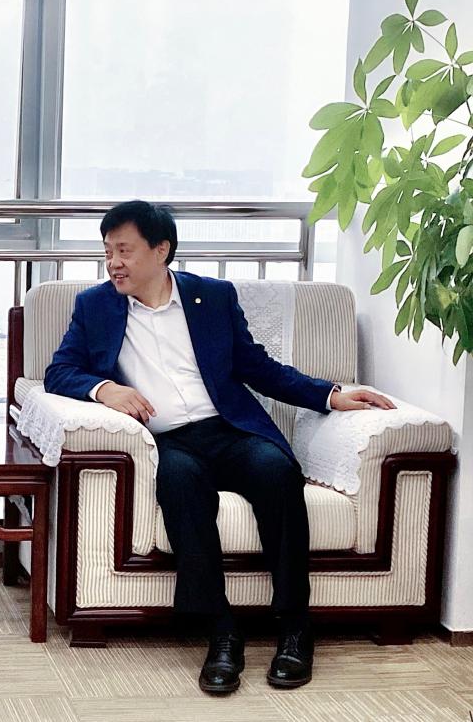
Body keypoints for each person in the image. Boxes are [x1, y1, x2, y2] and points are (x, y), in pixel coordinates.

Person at [44, 200, 394, 694]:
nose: (113, 263)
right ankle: (221, 632)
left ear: (161, 250)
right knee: (180, 483)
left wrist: (330, 395)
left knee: (277, 472)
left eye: (124, 250)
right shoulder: (95, 306)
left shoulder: (212, 297)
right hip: (168, 441)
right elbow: (59, 371)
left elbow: (257, 367)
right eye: (107, 251)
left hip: (228, 430)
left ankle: (295, 626)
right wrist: (105, 389)